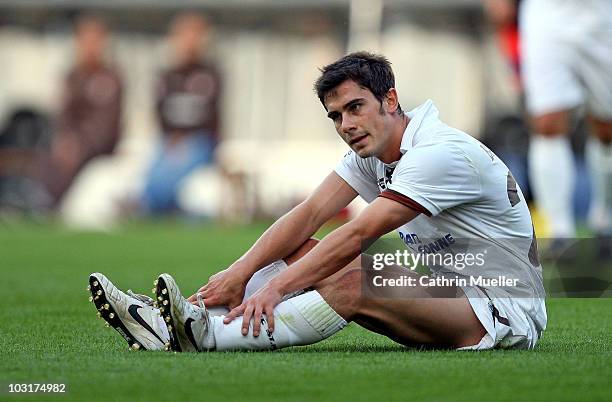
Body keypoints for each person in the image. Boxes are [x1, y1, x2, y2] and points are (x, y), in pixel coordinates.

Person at [88, 52, 546, 352]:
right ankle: (181, 319)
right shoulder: (374, 149)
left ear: (390, 100)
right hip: (452, 293)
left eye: (355, 107)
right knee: (301, 247)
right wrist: (236, 275)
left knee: (355, 281)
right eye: (336, 116)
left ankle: (205, 338)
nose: (346, 124)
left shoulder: (438, 154)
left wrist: (276, 289)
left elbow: (360, 233)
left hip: (503, 309)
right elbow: (307, 214)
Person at [520, 0, 612, 257]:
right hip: (547, 14)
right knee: (547, 122)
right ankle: (559, 233)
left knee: (606, 129)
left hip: (603, 16)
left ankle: (605, 221)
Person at [139, 12, 221, 214]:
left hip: (200, 142)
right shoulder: (166, 76)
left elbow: (212, 118)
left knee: (172, 180)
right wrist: (172, 140)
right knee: (152, 182)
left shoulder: (211, 74)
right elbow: (159, 113)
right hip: (169, 141)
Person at [43, 16, 123, 207]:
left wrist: (79, 143)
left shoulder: (110, 78)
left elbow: (105, 127)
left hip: (97, 152)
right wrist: (65, 139)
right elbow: (63, 116)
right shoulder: (72, 77)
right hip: (70, 148)